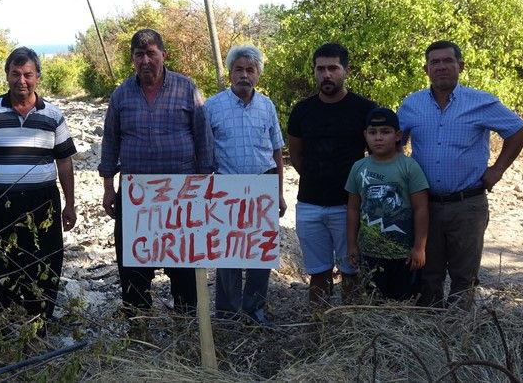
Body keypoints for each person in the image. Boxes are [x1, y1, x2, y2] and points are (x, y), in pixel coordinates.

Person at [398, 40, 523, 309]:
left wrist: (497, 170)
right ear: (426, 69)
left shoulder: (481, 102)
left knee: (464, 276)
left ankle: (460, 335)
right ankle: (432, 335)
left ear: (461, 66)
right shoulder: (411, 105)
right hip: (425, 205)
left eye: (448, 61)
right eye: (435, 62)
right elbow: (395, 144)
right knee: (427, 273)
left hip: (468, 204)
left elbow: (518, 130)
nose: (441, 67)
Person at [98, 28, 213, 314]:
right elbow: (110, 140)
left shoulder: (187, 88)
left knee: (184, 266)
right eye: (139, 55)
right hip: (136, 195)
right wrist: (109, 188)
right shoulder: (121, 94)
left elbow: (203, 138)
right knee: (133, 268)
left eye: (151, 53)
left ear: (164, 55)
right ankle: (139, 329)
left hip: (181, 195)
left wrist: (205, 187)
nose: (145, 60)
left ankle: (186, 327)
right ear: (132, 59)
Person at [0, 46, 77, 322]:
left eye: (28, 74)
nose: (21, 81)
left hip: (43, 203)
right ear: (6, 75)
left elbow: (64, 161)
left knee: (45, 261)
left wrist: (70, 204)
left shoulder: (53, 115)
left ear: (38, 76)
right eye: (15, 74)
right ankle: (2, 325)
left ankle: (38, 325)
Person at [287, 43, 378, 310]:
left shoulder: (365, 109)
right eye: (320, 68)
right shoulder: (302, 110)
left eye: (333, 68)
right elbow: (296, 156)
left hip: (349, 206)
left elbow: (378, 155)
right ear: (314, 72)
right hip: (309, 204)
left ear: (346, 71)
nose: (326, 74)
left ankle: (348, 328)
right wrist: (318, 179)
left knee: (351, 270)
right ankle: (320, 327)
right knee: (318, 272)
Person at [204, 45, 286, 326]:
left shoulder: (267, 105)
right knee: (228, 253)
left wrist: (280, 193)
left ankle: (254, 310)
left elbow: (277, 151)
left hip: (262, 185)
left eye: (250, 70)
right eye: (238, 69)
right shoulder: (213, 106)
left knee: (260, 252)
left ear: (258, 74)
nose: (244, 74)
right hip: (227, 187)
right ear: (230, 73)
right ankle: (227, 313)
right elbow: (203, 152)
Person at [345, 107, 429, 301]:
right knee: (373, 302)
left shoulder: (409, 167)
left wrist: (419, 247)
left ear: (398, 135)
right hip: (369, 253)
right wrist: (351, 245)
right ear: (365, 135)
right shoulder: (359, 167)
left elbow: (421, 208)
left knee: (404, 302)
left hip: (404, 254)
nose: (378, 138)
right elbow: (352, 208)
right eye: (373, 133)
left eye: (385, 132)